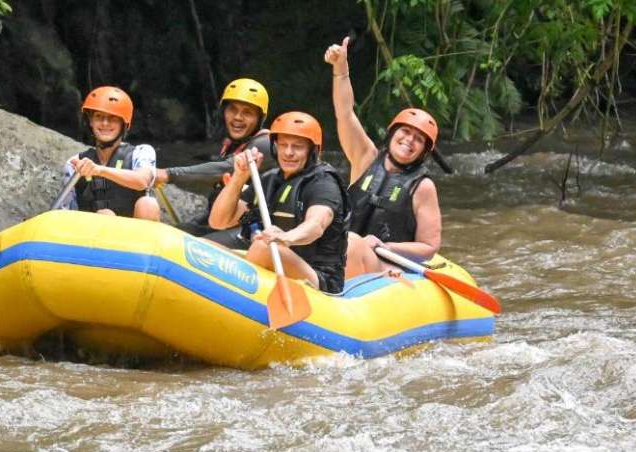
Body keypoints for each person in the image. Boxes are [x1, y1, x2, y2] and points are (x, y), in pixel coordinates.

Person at [324, 37, 443, 278]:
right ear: (392, 133)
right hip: (343, 255)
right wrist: (341, 70)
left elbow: (429, 247)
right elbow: (345, 113)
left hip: (385, 264)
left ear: (423, 151)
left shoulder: (423, 187)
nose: (409, 140)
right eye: (405, 132)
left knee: (356, 244)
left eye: (418, 139)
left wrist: (384, 247)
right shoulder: (365, 157)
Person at [208, 111, 348, 293]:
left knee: (263, 247)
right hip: (274, 261)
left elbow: (317, 224)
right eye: (283, 145)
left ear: (312, 150)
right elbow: (218, 221)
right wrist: (239, 177)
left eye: (297, 147)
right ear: (275, 148)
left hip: (319, 278)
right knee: (208, 248)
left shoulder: (324, 183)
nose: (289, 152)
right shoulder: (269, 180)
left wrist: (286, 238)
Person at [155, 77, 277, 248]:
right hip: (225, 223)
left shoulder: (265, 144)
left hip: (253, 230)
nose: (238, 118)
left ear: (260, 118)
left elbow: (224, 168)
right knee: (172, 233)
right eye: (232, 110)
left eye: (247, 112)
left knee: (188, 244)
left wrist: (168, 174)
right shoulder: (232, 145)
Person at [56, 86, 160, 220]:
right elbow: (66, 214)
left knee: (148, 204)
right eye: (99, 117)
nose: (105, 123)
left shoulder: (141, 152)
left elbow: (142, 181)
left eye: (113, 118)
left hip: (131, 235)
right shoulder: (75, 163)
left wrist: (99, 170)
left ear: (124, 124)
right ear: (91, 122)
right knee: (104, 215)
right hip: (90, 234)